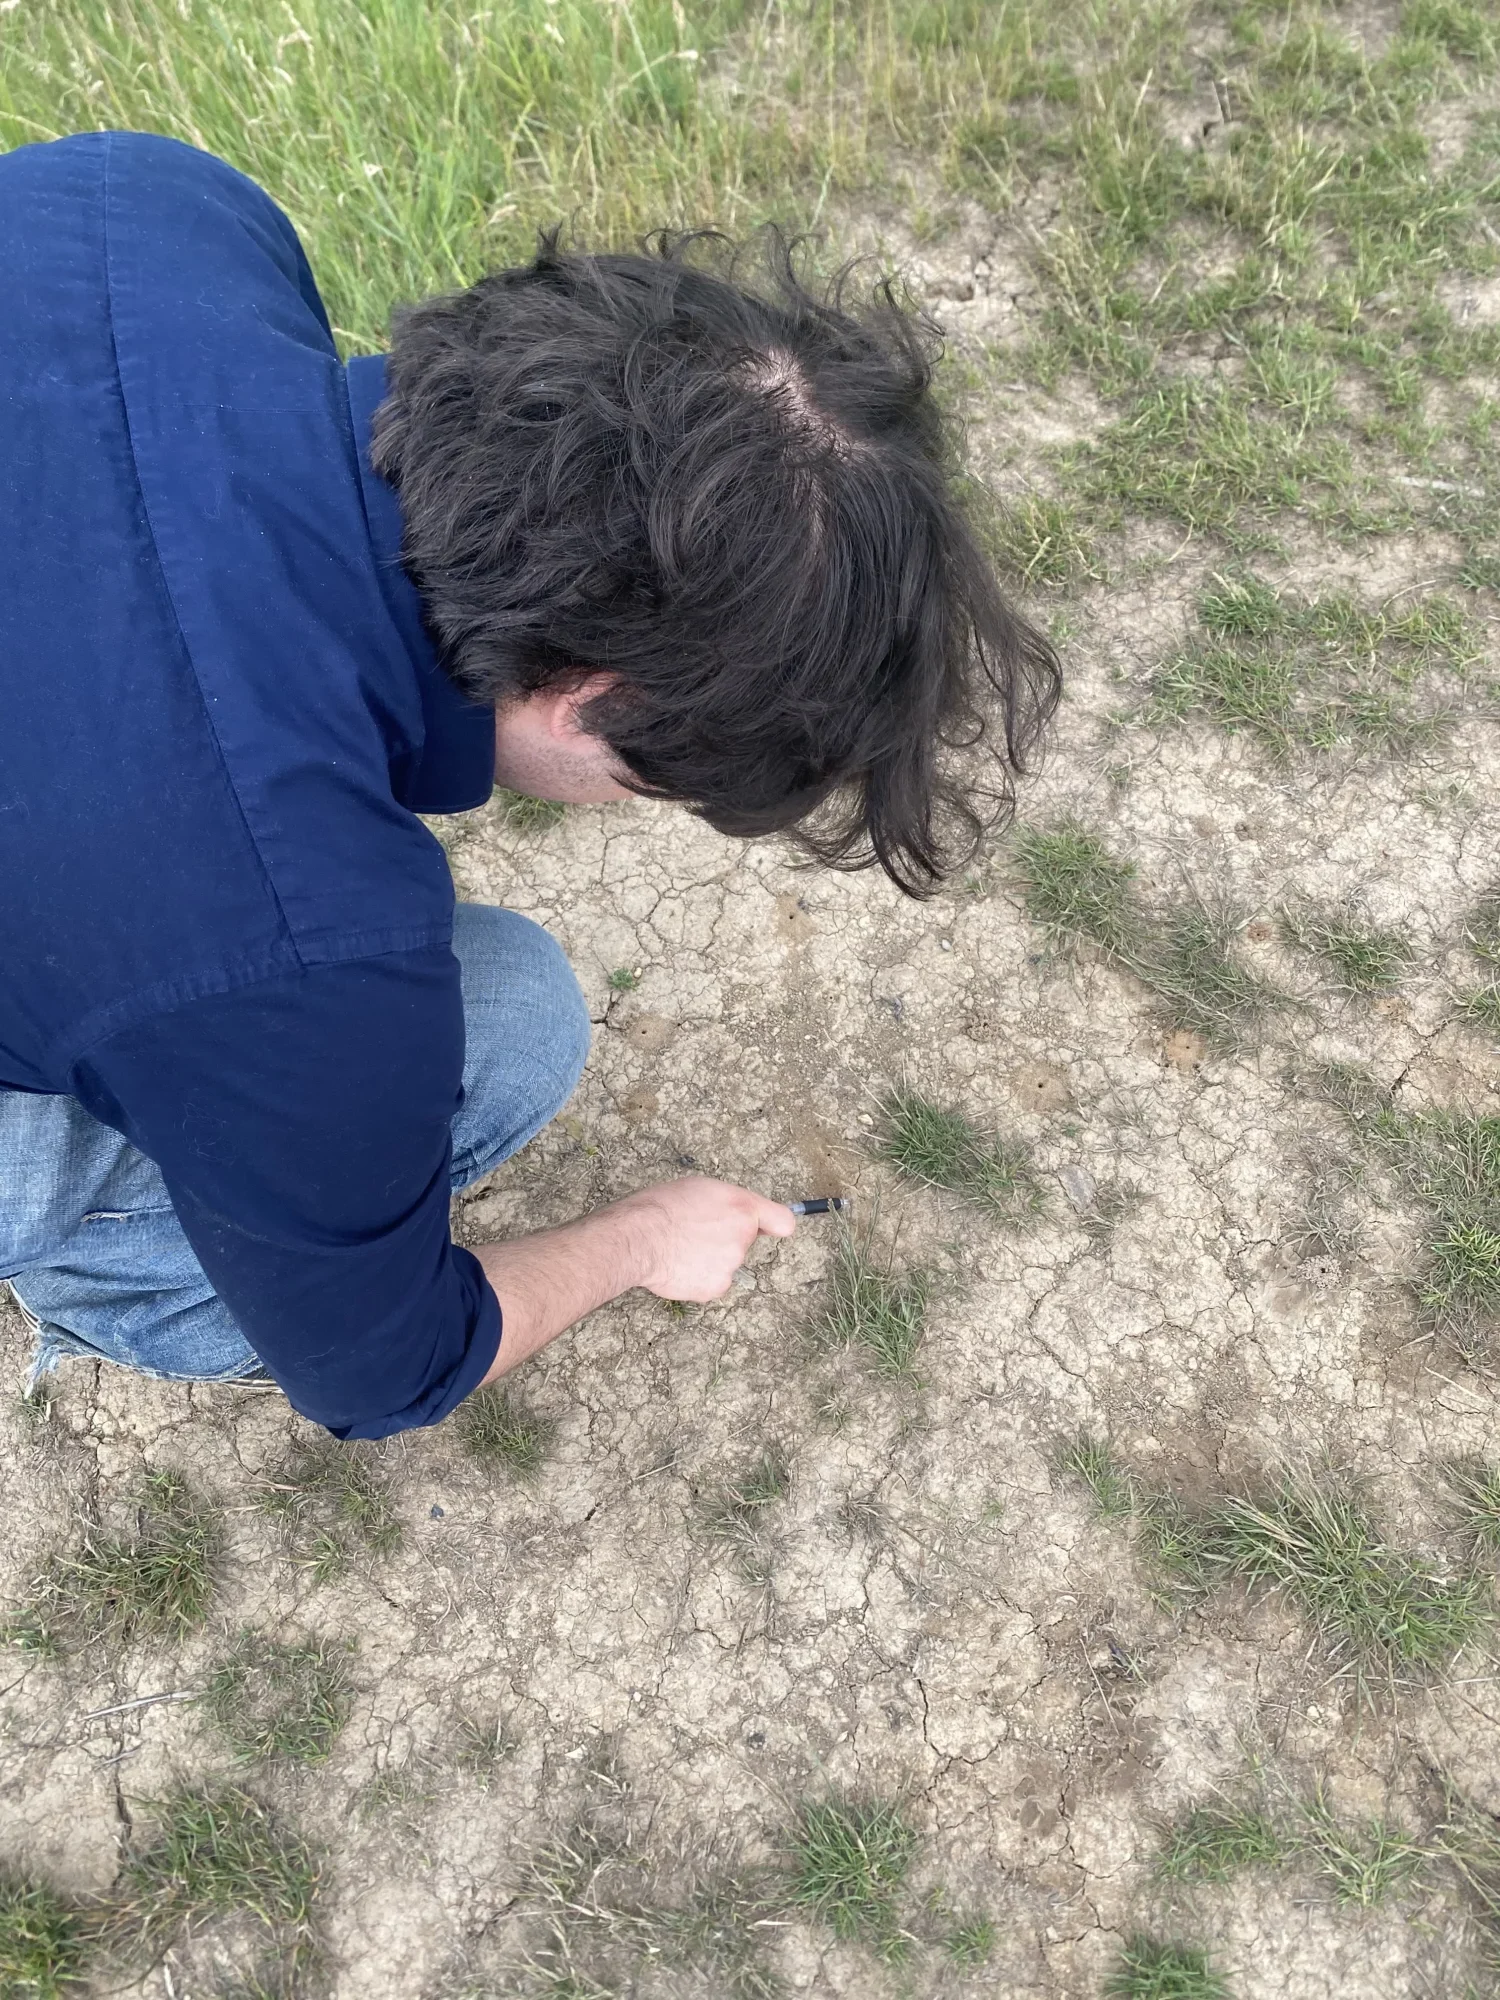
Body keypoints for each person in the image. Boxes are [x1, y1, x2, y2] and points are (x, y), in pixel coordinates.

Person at [0, 132, 1059, 1440]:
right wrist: (648, 1236)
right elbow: (387, 1374)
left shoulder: (145, 202)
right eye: (655, 780)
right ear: (587, 694)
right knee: (509, 1018)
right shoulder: (304, 953)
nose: (633, 802)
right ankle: (103, 1271)